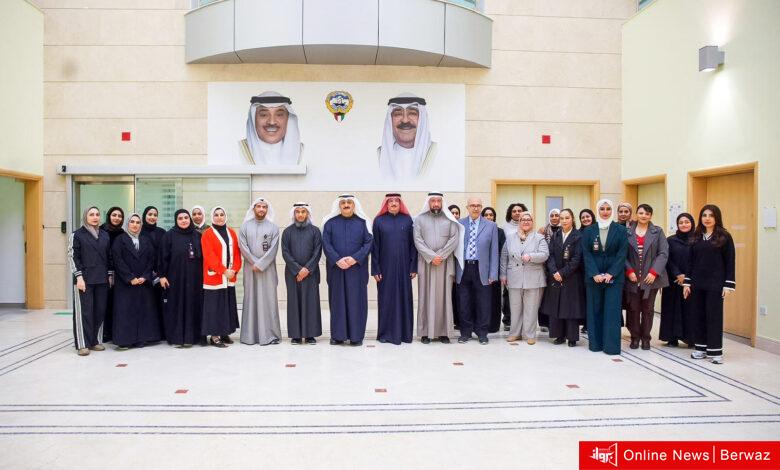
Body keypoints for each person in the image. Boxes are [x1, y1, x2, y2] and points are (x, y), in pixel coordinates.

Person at [683, 205, 735, 364]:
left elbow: (730, 261)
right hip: (697, 284)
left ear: (716, 217)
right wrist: (687, 283)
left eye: (711, 215)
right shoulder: (696, 236)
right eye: (704, 215)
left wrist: (728, 285)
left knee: (714, 317)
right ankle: (700, 348)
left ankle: (715, 351)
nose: (707, 218)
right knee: (698, 316)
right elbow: (690, 262)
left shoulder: (724, 236)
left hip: (715, 284)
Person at [322, 194, 373, 346]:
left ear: (354, 205)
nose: (346, 205)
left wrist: (355, 258)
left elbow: (368, 243)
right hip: (336, 269)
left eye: (349, 202)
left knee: (356, 301)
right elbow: (326, 243)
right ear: (339, 205)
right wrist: (337, 259)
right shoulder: (330, 223)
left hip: (357, 270)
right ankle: (338, 336)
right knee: (337, 301)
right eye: (343, 202)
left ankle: (356, 336)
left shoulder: (363, 223)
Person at [581, 199, 628, 355]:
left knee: (612, 312)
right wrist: (594, 273)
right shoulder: (589, 230)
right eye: (602, 208)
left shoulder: (620, 230)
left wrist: (611, 273)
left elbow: (622, 254)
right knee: (594, 310)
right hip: (593, 277)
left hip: (614, 278)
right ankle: (596, 344)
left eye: (608, 208)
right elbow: (586, 253)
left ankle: (611, 347)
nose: (605, 211)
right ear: (598, 210)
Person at [414, 192, 463, 344]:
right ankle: (425, 332)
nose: (436, 203)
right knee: (425, 297)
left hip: (444, 263)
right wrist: (431, 256)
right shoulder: (419, 219)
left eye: (438, 201)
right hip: (426, 263)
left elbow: (454, 239)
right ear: (428, 202)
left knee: (444, 298)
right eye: (433, 201)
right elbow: (417, 240)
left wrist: (440, 256)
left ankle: (444, 332)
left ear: (442, 203)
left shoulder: (450, 219)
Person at [110, 213, 162, 349]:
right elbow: (118, 260)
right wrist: (130, 278)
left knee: (142, 311)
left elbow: (151, 260)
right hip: (126, 284)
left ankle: (141, 338)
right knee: (126, 312)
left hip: (143, 282)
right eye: (132, 222)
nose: (135, 225)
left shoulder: (145, 240)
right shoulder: (119, 240)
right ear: (127, 224)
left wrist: (145, 276)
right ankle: (125, 340)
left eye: (138, 222)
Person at [372, 194, 417, 345]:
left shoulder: (408, 220)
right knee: (386, 300)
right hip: (385, 269)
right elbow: (375, 247)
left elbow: (413, 245)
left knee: (404, 299)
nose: (393, 203)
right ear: (386, 204)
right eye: (390, 201)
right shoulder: (379, 221)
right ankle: (385, 334)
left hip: (404, 268)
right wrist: (375, 269)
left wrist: (413, 267)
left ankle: (404, 334)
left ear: (400, 203)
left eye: (396, 201)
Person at [67, 206, 113, 356]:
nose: (95, 217)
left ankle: (95, 341)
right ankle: (83, 344)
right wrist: (79, 277)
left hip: (101, 279)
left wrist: (110, 275)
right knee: (84, 312)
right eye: (91, 214)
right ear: (85, 216)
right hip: (84, 280)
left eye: (97, 214)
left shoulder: (104, 235)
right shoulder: (77, 235)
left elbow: (109, 256)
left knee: (99, 311)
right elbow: (73, 257)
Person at [624, 204, 669, 350]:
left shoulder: (658, 231)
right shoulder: (627, 232)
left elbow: (663, 253)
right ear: (636, 214)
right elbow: (621, 254)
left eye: (647, 213)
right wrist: (629, 271)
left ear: (650, 216)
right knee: (633, 309)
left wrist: (654, 272)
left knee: (648, 309)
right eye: (641, 213)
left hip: (651, 278)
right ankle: (635, 337)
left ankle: (646, 338)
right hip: (632, 278)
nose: (644, 216)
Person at [239, 197, 282, 346]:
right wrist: (254, 262)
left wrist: (261, 264)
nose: (261, 209)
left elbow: (274, 249)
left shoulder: (273, 228)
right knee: (251, 299)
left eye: (264, 207)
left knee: (268, 300)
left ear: (267, 210)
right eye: (259, 206)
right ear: (254, 209)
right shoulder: (245, 226)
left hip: (267, 269)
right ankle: (249, 336)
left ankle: (270, 336)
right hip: (250, 269)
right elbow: (243, 247)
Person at [456, 197, 499, 345]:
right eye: (472, 205)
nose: (475, 208)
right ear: (467, 207)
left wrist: (493, 273)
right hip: (463, 268)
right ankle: (465, 332)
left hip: (482, 269)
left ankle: (482, 333)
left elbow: (494, 251)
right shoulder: (459, 224)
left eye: (478, 205)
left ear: (481, 207)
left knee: (483, 303)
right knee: (464, 302)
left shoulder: (491, 225)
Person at [501, 212, 548, 344]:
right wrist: (503, 274)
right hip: (514, 276)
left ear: (532, 222)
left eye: (529, 219)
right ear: (519, 222)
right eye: (523, 219)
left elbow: (545, 254)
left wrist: (531, 256)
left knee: (531, 308)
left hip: (533, 277)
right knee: (515, 307)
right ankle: (515, 333)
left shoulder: (539, 237)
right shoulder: (510, 237)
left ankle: (529, 335)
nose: (526, 221)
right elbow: (504, 256)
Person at [158, 209, 203, 348]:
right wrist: (162, 275)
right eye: (180, 218)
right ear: (176, 220)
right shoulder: (169, 235)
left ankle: (191, 337)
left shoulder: (197, 235)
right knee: (176, 307)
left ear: (190, 219)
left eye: (186, 218)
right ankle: (176, 338)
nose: (183, 220)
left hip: (194, 279)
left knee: (192, 306)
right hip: (175, 279)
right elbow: (162, 257)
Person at [281, 202, 323, 345]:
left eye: (303, 212)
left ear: (307, 214)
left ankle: (310, 335)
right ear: (294, 214)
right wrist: (298, 270)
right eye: (297, 212)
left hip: (311, 273)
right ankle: (296, 335)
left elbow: (317, 252)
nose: (300, 214)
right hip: (292, 274)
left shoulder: (315, 231)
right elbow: (285, 253)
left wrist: (307, 269)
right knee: (294, 302)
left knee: (311, 302)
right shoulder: (287, 232)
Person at [201, 206, 242, 348]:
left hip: (229, 277)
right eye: (216, 215)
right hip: (215, 277)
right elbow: (209, 256)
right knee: (214, 308)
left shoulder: (231, 232)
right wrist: (224, 271)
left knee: (227, 306)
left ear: (225, 216)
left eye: (221, 214)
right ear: (212, 217)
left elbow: (237, 254)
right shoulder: (207, 234)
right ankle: (214, 336)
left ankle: (225, 332)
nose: (219, 217)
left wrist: (234, 270)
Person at [543, 209, 585, 347]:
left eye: (567, 218)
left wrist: (562, 273)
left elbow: (577, 258)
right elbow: (550, 255)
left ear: (572, 219)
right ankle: (559, 335)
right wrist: (554, 271)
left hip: (572, 277)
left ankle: (572, 337)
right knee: (556, 306)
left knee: (570, 307)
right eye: (562, 218)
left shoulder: (578, 236)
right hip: (555, 276)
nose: (564, 220)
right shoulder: (556, 235)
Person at [378, 94, 437, 179]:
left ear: (422, 119)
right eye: (398, 114)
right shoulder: (380, 155)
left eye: (412, 113)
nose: (405, 120)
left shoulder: (436, 152)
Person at [659, 213, 695, 347]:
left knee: (690, 310)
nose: (684, 224)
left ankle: (690, 338)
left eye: (687, 222)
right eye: (681, 222)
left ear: (692, 223)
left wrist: (687, 276)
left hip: (691, 281)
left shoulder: (697, 240)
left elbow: (698, 260)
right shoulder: (670, 240)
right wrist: (678, 274)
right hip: (673, 281)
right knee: (671, 309)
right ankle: (671, 338)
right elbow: (667, 259)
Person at [240, 91, 303, 165]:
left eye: (279, 115)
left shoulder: (303, 152)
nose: (272, 122)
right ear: (253, 119)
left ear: (288, 119)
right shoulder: (238, 150)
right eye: (264, 115)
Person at [141, 205, 167, 339]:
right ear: (144, 215)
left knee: (160, 304)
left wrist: (161, 272)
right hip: (144, 274)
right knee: (147, 305)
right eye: (150, 214)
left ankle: (160, 333)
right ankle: (147, 334)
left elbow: (166, 253)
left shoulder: (162, 232)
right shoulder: (139, 231)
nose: (152, 217)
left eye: (155, 215)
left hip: (160, 274)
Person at [99, 206, 125, 343]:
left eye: (119, 216)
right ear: (109, 216)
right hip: (103, 272)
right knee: (104, 303)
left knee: (114, 303)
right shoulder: (101, 231)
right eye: (114, 215)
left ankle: (112, 331)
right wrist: (108, 272)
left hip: (119, 273)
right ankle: (102, 333)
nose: (117, 218)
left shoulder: (122, 233)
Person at [502, 203, 528, 331]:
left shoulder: (528, 225)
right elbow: (504, 252)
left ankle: (523, 322)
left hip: (526, 266)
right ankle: (508, 320)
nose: (517, 213)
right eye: (514, 211)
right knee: (508, 295)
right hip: (511, 266)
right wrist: (503, 273)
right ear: (510, 213)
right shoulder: (505, 228)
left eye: (519, 210)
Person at [481, 206, 504, 333]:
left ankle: (494, 325)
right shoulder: (479, 230)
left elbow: (502, 252)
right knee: (482, 299)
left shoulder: (500, 232)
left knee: (494, 299)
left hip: (495, 270)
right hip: (481, 270)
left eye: (491, 215)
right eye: (486, 215)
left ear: (494, 217)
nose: (489, 217)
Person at [578, 208, 596, 334]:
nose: (585, 219)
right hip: (581, 271)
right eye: (583, 217)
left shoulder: (598, 230)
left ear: (592, 217)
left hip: (596, 270)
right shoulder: (578, 233)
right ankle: (586, 323)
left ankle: (594, 324)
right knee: (584, 298)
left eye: (587, 216)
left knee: (594, 299)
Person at [448, 204, 462, 330]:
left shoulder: (462, 228)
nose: (455, 215)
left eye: (457, 213)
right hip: (447, 266)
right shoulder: (445, 227)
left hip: (460, 267)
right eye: (452, 212)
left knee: (459, 295)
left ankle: (459, 321)